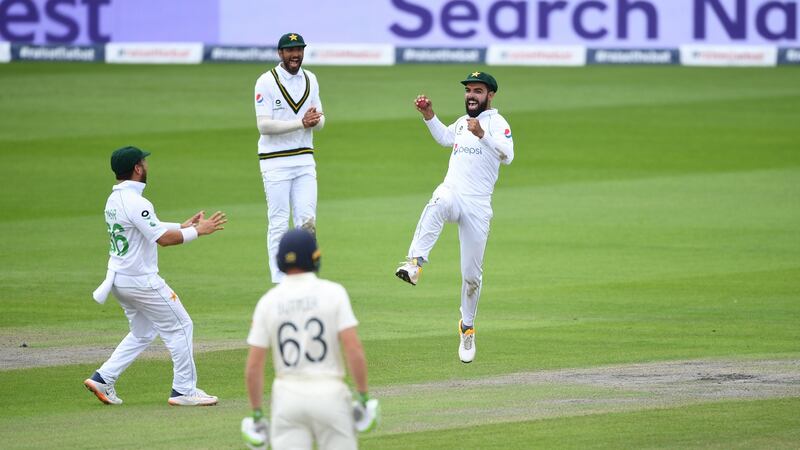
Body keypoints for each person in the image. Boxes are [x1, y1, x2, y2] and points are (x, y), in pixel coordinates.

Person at [84, 146, 227, 406]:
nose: (147, 166)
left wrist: (182, 226)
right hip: (141, 282)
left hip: (119, 280)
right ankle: (184, 390)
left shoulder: (115, 199)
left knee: (143, 332)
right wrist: (200, 231)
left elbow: (146, 227)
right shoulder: (138, 202)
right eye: (144, 162)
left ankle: (103, 378)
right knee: (182, 326)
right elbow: (162, 239)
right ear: (137, 168)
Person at [395, 71, 514, 364]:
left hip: (477, 205)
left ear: (490, 95)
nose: (471, 96)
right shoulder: (462, 123)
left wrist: (483, 136)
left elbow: (508, 155)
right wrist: (429, 115)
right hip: (454, 192)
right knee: (438, 200)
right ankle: (414, 264)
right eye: (468, 91)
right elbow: (445, 138)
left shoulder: (497, 124)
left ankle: (467, 326)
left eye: (477, 91)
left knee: (471, 277)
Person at [242, 229, 378, 450]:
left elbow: (254, 366)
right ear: (315, 258)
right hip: (330, 396)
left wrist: (257, 414)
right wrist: (363, 397)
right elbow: (353, 348)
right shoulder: (334, 293)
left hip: (287, 399)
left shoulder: (268, 302)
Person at [254, 32, 325, 284]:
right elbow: (264, 126)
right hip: (275, 162)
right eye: (290, 50)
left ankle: (307, 277)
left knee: (308, 222)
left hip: (305, 159)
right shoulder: (265, 81)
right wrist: (300, 122)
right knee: (279, 223)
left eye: (299, 50)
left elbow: (320, 121)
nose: (295, 55)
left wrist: (316, 121)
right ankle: (279, 280)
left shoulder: (311, 79)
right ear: (280, 53)